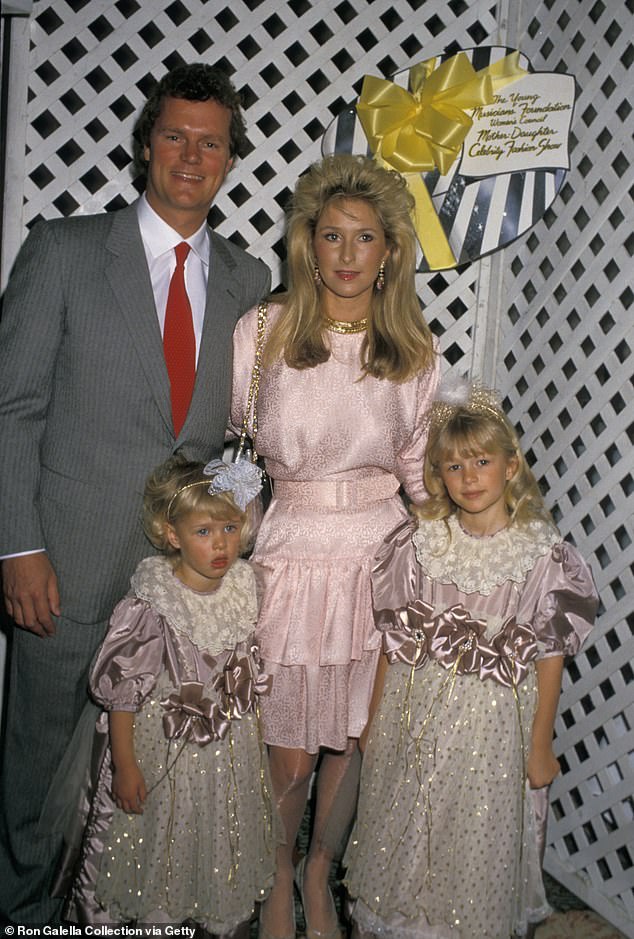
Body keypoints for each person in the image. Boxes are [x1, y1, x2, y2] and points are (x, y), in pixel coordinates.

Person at [0, 62, 270, 924]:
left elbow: (240, 438)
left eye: (211, 142)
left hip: (182, 589)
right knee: (40, 765)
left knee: (150, 774)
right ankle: (24, 913)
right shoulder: (65, 251)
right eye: (175, 136)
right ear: (146, 144)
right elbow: (13, 407)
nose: (192, 156)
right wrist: (18, 545)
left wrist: (224, 529)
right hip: (66, 562)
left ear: (230, 159)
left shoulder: (247, 279)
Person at [230, 154, 441, 939]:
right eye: (331, 236)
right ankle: (276, 873)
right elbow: (232, 450)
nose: (347, 254)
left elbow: (423, 474)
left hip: (381, 563)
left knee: (354, 738)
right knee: (288, 748)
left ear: (388, 251)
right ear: (307, 244)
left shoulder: (413, 348)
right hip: (289, 555)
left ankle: (321, 871)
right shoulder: (264, 329)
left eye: (365, 237)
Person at [343, 381, 599, 939]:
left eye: (482, 462)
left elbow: (548, 656)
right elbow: (396, 638)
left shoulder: (541, 554)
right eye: (454, 467)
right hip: (415, 717)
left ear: (510, 467)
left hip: (490, 731)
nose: (469, 478)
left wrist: (539, 742)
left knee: (472, 833)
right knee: (407, 822)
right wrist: (374, 717)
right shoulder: (421, 542)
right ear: (438, 474)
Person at [55, 455, 274, 937]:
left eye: (229, 528)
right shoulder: (152, 601)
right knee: (160, 840)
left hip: (225, 752)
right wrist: (128, 764)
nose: (220, 543)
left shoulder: (244, 585)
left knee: (213, 833)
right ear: (172, 534)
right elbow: (124, 695)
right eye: (203, 531)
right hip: (163, 750)